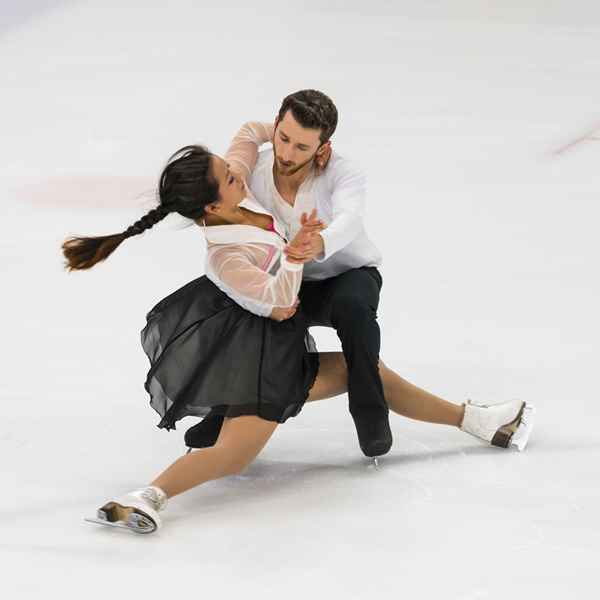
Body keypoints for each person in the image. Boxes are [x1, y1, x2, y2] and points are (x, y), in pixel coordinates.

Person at [62, 138, 535, 535]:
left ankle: (476, 420)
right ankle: (147, 496)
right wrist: (295, 253)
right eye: (230, 177)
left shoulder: (231, 198)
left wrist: (289, 134)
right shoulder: (224, 259)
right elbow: (282, 303)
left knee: (360, 370)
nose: (240, 174)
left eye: (230, 168)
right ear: (211, 206)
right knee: (232, 455)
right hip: (259, 355)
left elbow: (249, 135)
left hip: (272, 343)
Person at [185, 89, 394, 459]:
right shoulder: (256, 169)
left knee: (354, 311)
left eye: (301, 147)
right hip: (287, 282)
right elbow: (247, 138)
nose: (287, 154)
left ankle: (369, 412)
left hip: (346, 274)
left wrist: (319, 243)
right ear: (276, 125)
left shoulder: (343, 172)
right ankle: (224, 410)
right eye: (283, 138)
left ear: (322, 146)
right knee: (237, 317)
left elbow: (350, 218)